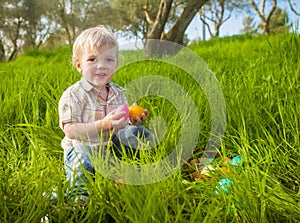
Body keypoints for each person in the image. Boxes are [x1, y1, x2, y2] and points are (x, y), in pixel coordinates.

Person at [58, 25, 154, 204]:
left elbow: (121, 127)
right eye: (92, 59)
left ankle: (151, 162)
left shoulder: (118, 93)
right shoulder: (73, 95)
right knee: (80, 151)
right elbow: (70, 131)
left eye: (108, 59)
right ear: (79, 65)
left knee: (136, 132)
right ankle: (79, 197)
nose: (101, 66)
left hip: (111, 150)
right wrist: (103, 124)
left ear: (116, 65)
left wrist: (131, 120)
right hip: (85, 150)